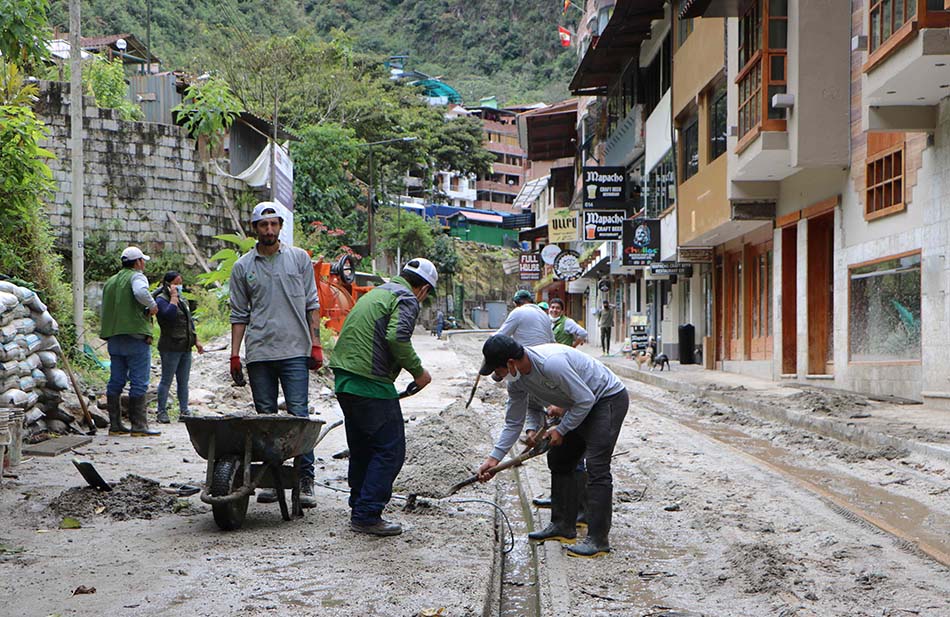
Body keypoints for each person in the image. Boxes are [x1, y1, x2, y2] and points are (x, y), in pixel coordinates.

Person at [476, 335, 628, 558]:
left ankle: (598, 541)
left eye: (498, 370)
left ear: (511, 363)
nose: (499, 376)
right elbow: (513, 422)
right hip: (579, 403)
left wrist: (561, 429)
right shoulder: (517, 381)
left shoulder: (551, 364)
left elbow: (586, 399)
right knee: (560, 458)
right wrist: (493, 459)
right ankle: (563, 526)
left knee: (596, 465)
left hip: (607, 399)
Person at [329, 258, 437, 536]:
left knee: (363, 448)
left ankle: (359, 506)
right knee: (390, 450)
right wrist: (419, 372)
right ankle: (367, 514)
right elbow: (397, 338)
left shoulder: (378, 292)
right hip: (370, 382)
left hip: (345, 380)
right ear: (423, 289)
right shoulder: (407, 298)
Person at [229, 202, 323, 508]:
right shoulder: (243, 267)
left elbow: (312, 304)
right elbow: (239, 314)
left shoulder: (299, 259)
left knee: (299, 416)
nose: (269, 230)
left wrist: (316, 344)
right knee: (265, 418)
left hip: (295, 350)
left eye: (274, 224)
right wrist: (234, 355)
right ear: (255, 228)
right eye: (263, 224)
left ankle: (305, 479)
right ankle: (272, 479)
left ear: (280, 226)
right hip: (259, 352)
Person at [100, 246, 160, 437]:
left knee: (116, 381)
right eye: (143, 261)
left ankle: (115, 425)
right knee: (139, 382)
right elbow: (140, 292)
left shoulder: (111, 282)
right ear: (138, 262)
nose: (144, 265)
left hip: (114, 337)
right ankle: (139, 426)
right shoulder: (137, 277)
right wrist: (152, 305)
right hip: (135, 337)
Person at [153, 271, 204, 423]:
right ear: (168, 284)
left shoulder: (183, 300)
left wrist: (196, 340)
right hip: (170, 346)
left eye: (180, 283)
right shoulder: (161, 300)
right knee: (166, 380)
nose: (179, 286)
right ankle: (161, 412)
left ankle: (184, 410)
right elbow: (169, 315)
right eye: (176, 283)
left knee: (183, 381)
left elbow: (189, 321)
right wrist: (173, 297)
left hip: (185, 346)